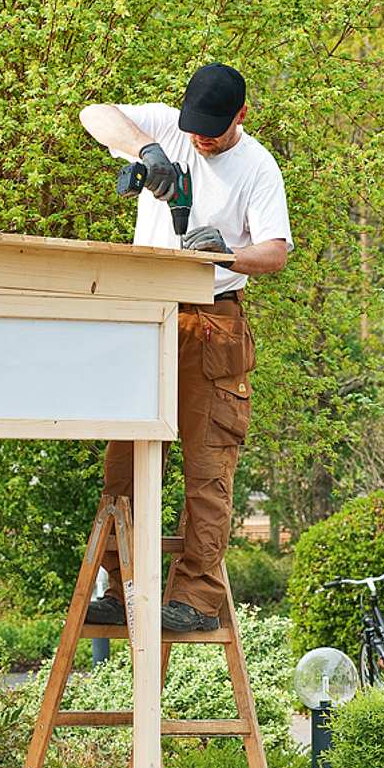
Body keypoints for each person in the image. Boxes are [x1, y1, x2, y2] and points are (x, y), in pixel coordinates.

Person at [79, 63, 292, 632]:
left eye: (214, 131)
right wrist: (148, 150)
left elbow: (274, 253)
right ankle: (123, 588)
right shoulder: (170, 129)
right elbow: (93, 114)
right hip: (146, 317)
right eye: (195, 128)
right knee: (125, 461)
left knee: (208, 466)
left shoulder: (258, 167)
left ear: (242, 115)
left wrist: (225, 255)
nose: (201, 139)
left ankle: (195, 598)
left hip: (212, 323)